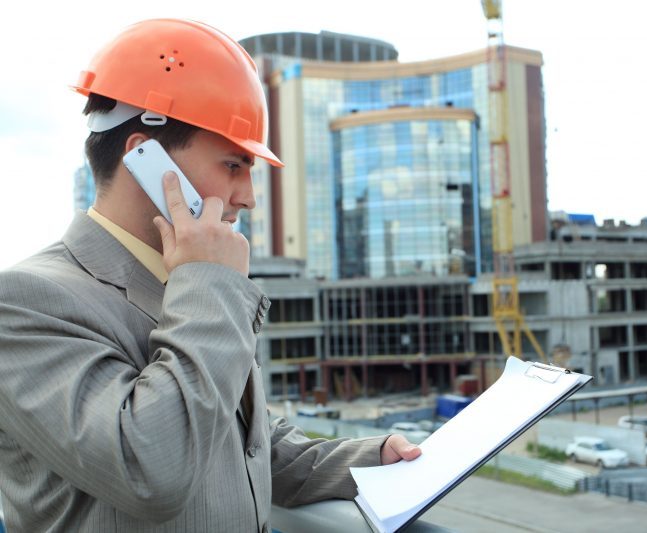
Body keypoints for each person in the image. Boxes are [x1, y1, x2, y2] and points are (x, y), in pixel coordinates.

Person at [0, 18, 420, 532]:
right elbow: (150, 468)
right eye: (232, 165)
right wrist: (208, 283)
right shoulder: (24, 302)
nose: (248, 196)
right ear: (143, 158)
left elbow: (241, 443)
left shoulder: (184, 283)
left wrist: (372, 456)